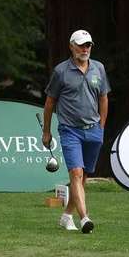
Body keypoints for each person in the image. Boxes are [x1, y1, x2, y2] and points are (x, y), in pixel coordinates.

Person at [42, 29, 110, 234]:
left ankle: (66, 215)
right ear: (71, 46)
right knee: (76, 173)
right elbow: (50, 102)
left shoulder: (98, 68)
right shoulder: (61, 71)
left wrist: (102, 126)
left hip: (94, 129)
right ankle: (85, 218)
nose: (85, 49)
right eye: (80, 45)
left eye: (88, 45)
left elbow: (103, 98)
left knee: (83, 177)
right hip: (69, 130)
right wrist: (46, 131)